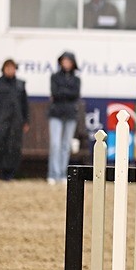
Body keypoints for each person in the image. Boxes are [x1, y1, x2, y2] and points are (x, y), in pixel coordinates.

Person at [0, 59, 29, 180]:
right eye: (8, 68)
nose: (10, 70)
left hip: (16, 122)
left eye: (12, 68)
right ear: (3, 69)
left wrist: (26, 121)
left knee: (13, 149)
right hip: (0, 121)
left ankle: (8, 175)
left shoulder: (20, 85)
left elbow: (25, 105)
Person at [47, 51, 81, 184]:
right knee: (55, 144)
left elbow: (75, 94)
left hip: (70, 114)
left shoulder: (76, 79)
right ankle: (53, 173)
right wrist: (66, 92)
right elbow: (55, 92)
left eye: (69, 61)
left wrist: (63, 92)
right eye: (64, 61)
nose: (66, 63)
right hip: (56, 113)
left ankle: (62, 174)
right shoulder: (55, 77)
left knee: (66, 145)